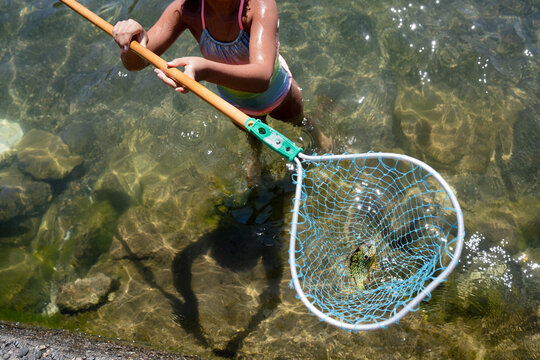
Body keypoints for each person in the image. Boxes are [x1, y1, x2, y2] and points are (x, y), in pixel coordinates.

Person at [112, 0, 331, 181]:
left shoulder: (260, 6)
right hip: (235, 102)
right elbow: (136, 62)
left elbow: (262, 77)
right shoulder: (187, 9)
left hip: (278, 93)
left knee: (299, 120)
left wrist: (204, 70)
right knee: (253, 135)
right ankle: (257, 159)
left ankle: (318, 136)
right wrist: (131, 42)